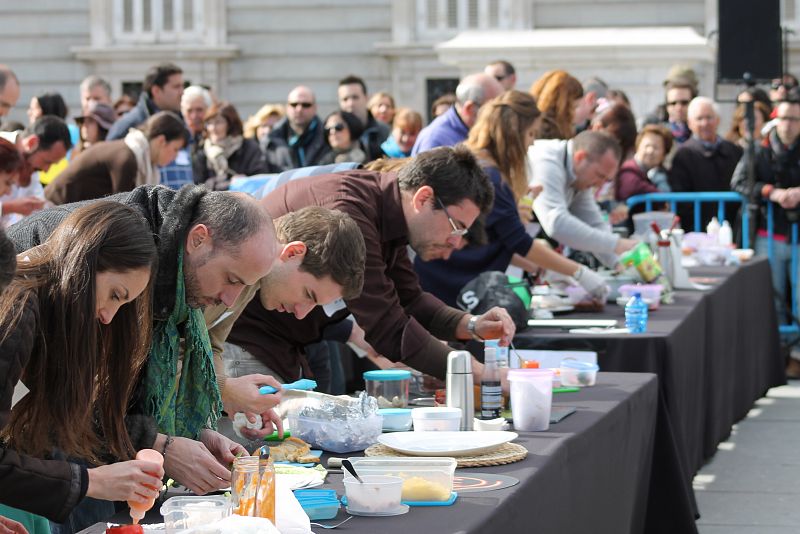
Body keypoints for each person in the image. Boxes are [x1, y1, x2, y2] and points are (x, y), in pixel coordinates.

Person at [8, 185, 278, 498]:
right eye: (231, 279)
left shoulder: (154, 269)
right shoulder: (121, 260)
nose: (229, 301)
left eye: (243, 288)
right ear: (198, 239)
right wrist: (161, 445)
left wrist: (192, 435)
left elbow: (122, 394)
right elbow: (70, 399)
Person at [226, 146, 515, 386]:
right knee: (254, 453)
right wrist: (480, 374)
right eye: (455, 227)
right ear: (423, 198)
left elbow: (409, 300)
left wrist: (472, 325)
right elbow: (388, 327)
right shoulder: (351, 210)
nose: (454, 242)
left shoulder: (380, 208)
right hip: (247, 341)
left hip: (279, 344)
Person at [0, 201, 164, 531]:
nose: (108, 316)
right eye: (115, 295)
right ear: (85, 263)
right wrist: (90, 482)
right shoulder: (18, 315)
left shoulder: (41, 311)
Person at [414, 90, 610, 306]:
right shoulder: (490, 176)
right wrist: (579, 272)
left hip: (448, 280)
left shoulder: (483, 168)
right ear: (514, 135)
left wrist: (545, 269)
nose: (532, 143)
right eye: (531, 134)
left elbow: (496, 241)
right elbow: (520, 242)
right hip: (448, 283)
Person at [203, 206, 367, 406]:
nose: (300, 314)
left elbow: (211, 344)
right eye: (308, 295)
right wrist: (225, 390)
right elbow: (167, 347)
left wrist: (230, 398)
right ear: (293, 253)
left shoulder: (256, 280)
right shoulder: (243, 263)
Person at [731, 98, 800, 377]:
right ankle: (778, 356)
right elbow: (739, 182)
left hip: (796, 236)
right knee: (772, 298)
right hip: (766, 235)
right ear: (775, 119)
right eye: (784, 118)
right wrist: (772, 192)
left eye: (795, 119)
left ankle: (796, 356)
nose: (789, 125)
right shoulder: (757, 149)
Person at [529, 130, 638, 267]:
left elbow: (593, 223)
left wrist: (619, 262)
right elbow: (555, 222)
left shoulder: (579, 176)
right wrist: (615, 244)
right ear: (580, 157)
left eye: (606, 180)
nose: (600, 185)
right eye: (599, 175)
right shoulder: (546, 160)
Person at [45, 111, 188, 204]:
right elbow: (121, 211)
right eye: (175, 149)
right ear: (161, 141)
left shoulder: (133, 154)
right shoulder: (127, 159)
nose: (175, 156)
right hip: (52, 209)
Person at [668, 97, 743, 230]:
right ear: (690, 123)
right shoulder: (683, 154)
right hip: (697, 230)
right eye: (699, 118)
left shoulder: (734, 151)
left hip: (732, 227)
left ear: (718, 120)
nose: (705, 123)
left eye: (709, 117)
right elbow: (681, 197)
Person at [0, 116, 72, 227]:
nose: (46, 170)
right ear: (32, 143)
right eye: (47, 162)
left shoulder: (31, 169)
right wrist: (7, 208)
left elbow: (39, 206)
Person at [412, 73, 503, 154]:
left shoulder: (471, 130)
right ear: (469, 109)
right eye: (494, 110)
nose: (500, 116)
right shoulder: (435, 141)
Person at [195, 102, 269, 190]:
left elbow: (261, 177)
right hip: (212, 201)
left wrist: (246, 179)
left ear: (231, 124)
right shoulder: (202, 150)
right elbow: (198, 185)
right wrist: (227, 183)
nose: (212, 128)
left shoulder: (249, 147)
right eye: (209, 123)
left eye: (218, 122)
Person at [262, 86, 330, 171]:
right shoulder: (269, 141)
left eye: (306, 105)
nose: (299, 109)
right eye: (294, 104)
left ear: (315, 108)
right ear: (287, 107)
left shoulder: (329, 137)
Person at [337, 75, 390, 161]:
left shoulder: (384, 131)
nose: (350, 104)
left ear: (366, 98)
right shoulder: (332, 133)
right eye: (345, 99)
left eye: (355, 97)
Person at [529, 70, 584, 140]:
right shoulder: (550, 132)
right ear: (564, 105)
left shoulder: (532, 124)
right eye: (574, 107)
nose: (574, 113)